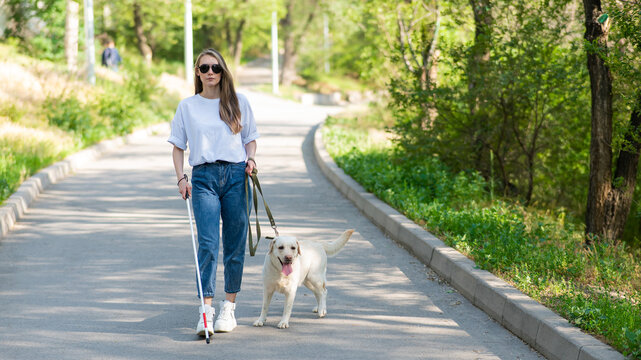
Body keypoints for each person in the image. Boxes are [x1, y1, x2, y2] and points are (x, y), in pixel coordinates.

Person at [168, 48, 259, 336]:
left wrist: (252, 160)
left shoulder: (238, 101)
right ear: (197, 72)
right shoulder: (187, 106)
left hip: (235, 175)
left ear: (223, 72)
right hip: (204, 177)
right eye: (205, 68)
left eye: (215, 68)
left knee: (234, 244)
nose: (210, 73)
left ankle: (228, 308)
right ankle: (205, 311)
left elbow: (250, 139)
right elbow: (178, 146)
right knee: (207, 244)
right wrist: (181, 177)